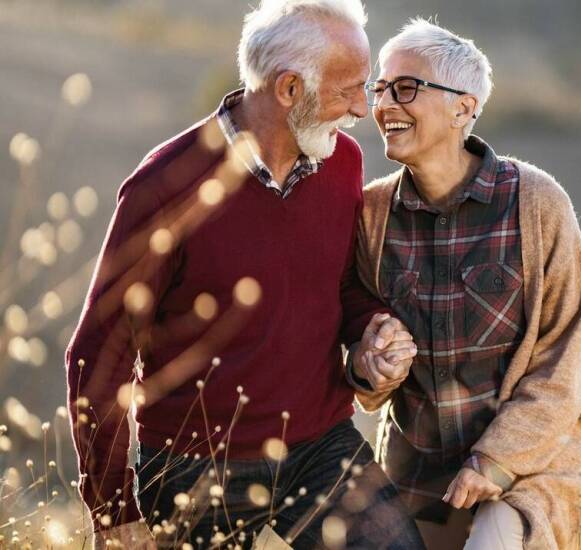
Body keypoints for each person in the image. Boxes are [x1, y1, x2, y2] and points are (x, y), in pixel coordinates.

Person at [66, 1, 424, 548]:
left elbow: (337, 282)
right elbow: (98, 354)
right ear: (287, 90)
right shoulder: (165, 187)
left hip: (319, 446)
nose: (361, 108)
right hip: (194, 465)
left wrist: (371, 327)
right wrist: (113, 513)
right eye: (348, 89)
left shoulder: (342, 161)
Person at [348, 18, 581, 550]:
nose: (385, 104)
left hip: (529, 466)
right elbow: (352, 342)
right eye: (380, 88)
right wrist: (369, 367)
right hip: (415, 476)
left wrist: (496, 460)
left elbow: (566, 359)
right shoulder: (370, 215)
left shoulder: (536, 203)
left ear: (463, 108)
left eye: (407, 88)